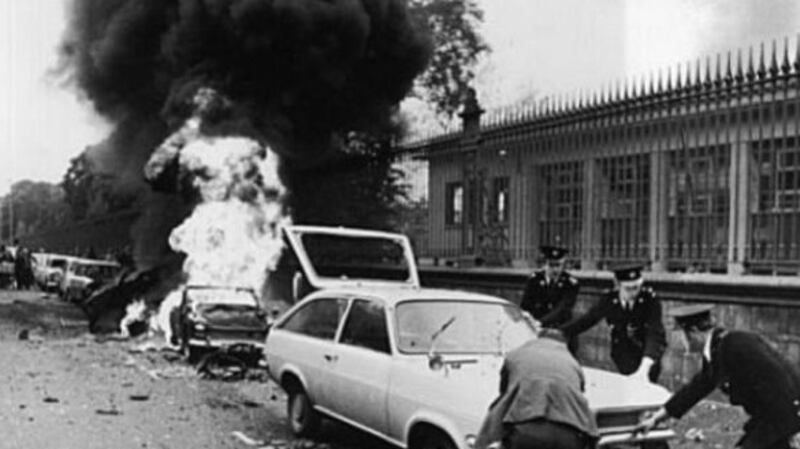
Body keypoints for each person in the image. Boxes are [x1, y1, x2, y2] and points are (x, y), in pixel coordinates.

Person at [635, 304, 800, 449]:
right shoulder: (719, 348)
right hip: (773, 418)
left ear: (693, 332)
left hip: (783, 417)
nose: (680, 342)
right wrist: (656, 418)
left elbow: (781, 383)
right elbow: (696, 388)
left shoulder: (735, 346)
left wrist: (794, 429)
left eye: (681, 335)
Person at [475, 328, 598, 449]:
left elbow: (504, 395)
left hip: (526, 431)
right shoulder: (573, 363)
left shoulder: (515, 355)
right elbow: (578, 397)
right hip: (569, 435)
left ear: (539, 337)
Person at [560, 264, 666, 383]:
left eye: (636, 287)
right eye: (628, 289)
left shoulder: (649, 300)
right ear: (618, 286)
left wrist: (645, 367)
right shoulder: (609, 300)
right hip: (622, 355)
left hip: (646, 355)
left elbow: (654, 332)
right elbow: (586, 320)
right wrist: (559, 331)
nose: (633, 293)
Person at [520, 245, 580, 352]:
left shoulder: (570, 283)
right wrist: (530, 322)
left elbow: (563, 308)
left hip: (561, 331)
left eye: (558, 265)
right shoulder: (534, 280)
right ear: (545, 264)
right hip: (538, 332)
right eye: (551, 265)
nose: (555, 269)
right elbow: (525, 305)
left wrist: (541, 322)